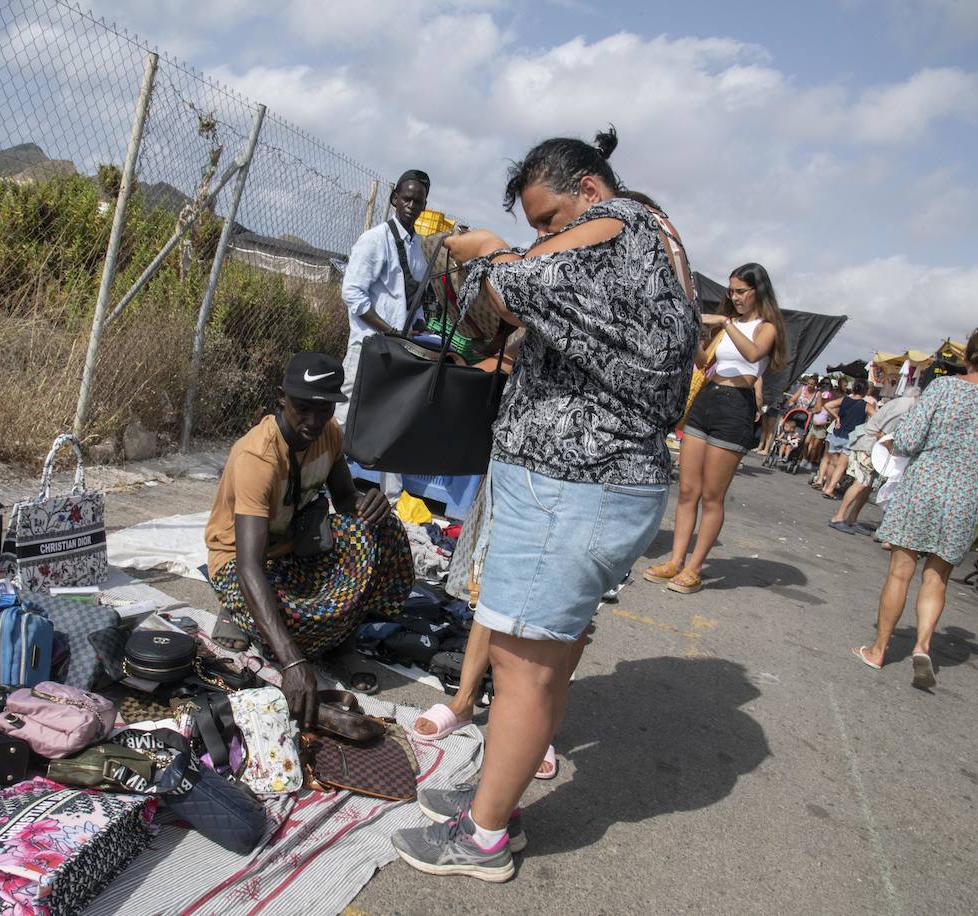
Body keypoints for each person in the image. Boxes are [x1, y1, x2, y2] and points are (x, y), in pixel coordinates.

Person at [389, 128, 697, 881]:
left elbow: (511, 285)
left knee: (526, 669)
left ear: (588, 189)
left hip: (574, 487)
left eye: (549, 221)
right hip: (589, 486)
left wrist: (491, 249)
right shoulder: (652, 239)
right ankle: (496, 798)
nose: (546, 238)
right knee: (542, 658)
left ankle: (485, 836)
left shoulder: (617, 221)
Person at [204, 352, 413, 727]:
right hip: (242, 563)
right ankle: (236, 608)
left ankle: (343, 642)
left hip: (295, 550)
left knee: (383, 531)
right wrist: (293, 662)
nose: (314, 421)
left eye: (325, 409)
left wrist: (369, 502)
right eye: (304, 407)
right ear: (282, 397)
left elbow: (346, 499)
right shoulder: (258, 457)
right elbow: (250, 565)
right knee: (292, 625)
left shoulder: (329, 434)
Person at [852, 328, 978, 688]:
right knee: (937, 576)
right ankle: (923, 645)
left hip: (925, 484)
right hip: (966, 493)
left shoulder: (944, 388)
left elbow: (909, 439)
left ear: (966, 356)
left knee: (900, 572)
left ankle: (879, 650)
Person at [643, 263, 787, 595]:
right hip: (708, 398)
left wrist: (724, 322)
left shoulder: (766, 327)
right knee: (688, 491)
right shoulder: (729, 325)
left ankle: (694, 569)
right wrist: (694, 334)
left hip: (737, 405)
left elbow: (753, 353)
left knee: (712, 496)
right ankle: (676, 561)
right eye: (731, 291)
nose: (733, 297)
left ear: (757, 291)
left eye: (740, 291)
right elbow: (704, 361)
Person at [338, 169, 433, 499]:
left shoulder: (417, 247)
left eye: (417, 201)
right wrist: (387, 328)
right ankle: (315, 482)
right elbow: (352, 294)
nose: (411, 205)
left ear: (424, 205)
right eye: (406, 198)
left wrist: (418, 324)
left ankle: (392, 500)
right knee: (341, 417)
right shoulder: (375, 240)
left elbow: (411, 297)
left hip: (398, 348)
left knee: (391, 421)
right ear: (394, 199)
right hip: (368, 346)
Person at [827, 385, 919, 534]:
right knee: (861, 483)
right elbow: (883, 433)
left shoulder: (902, 403)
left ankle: (852, 518)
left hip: (871, 444)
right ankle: (838, 517)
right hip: (870, 446)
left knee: (867, 485)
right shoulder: (904, 408)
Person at [820, 380, 876, 498]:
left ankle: (826, 486)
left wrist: (837, 417)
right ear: (865, 391)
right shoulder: (866, 405)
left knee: (832, 463)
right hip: (852, 436)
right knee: (841, 465)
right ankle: (830, 489)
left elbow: (827, 405)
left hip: (836, 433)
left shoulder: (844, 399)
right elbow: (876, 417)